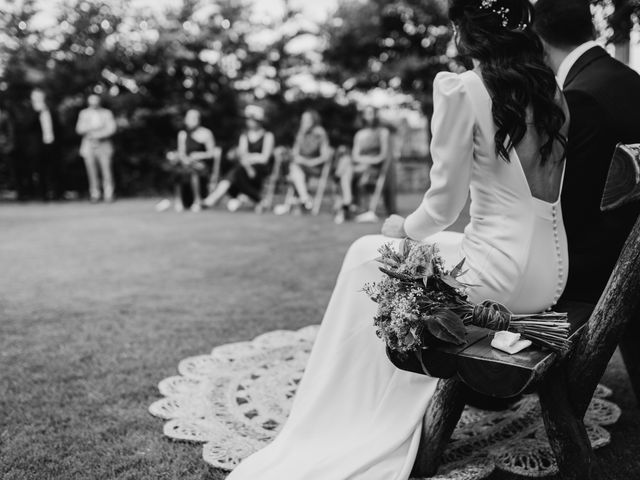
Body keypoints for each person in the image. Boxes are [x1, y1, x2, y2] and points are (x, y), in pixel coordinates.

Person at [227, 1, 568, 479]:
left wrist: (401, 228)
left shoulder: (464, 89)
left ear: (464, 31)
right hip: (550, 273)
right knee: (410, 258)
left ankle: (344, 411)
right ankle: (363, 395)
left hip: (500, 275)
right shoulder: (552, 91)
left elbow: (442, 207)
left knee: (368, 251)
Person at [533, 0, 640, 304]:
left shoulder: (579, 98)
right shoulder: (631, 80)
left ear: (539, 42)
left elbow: (573, 210)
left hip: (601, 277)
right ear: (590, 28)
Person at [203, 105, 274, 212]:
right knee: (237, 172)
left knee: (237, 172)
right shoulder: (244, 136)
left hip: (260, 170)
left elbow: (264, 158)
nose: (248, 121)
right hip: (245, 169)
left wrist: (248, 159)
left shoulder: (268, 136)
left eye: (250, 119)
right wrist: (249, 164)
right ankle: (258, 200)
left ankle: (213, 198)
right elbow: (242, 155)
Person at [334, 106, 391, 224]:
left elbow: (382, 156)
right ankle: (348, 200)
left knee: (344, 167)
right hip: (359, 167)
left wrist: (368, 160)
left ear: (376, 115)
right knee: (346, 163)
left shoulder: (383, 132)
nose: (369, 115)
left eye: (371, 113)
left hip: (374, 168)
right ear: (363, 116)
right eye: (366, 113)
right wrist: (364, 159)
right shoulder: (359, 134)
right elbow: (355, 156)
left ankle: (345, 202)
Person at [158, 109, 216, 212]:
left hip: (202, 165)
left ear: (198, 119)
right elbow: (182, 153)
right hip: (187, 163)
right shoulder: (183, 134)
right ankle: (178, 201)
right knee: (177, 170)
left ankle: (197, 201)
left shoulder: (206, 133)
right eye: (188, 118)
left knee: (193, 171)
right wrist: (184, 160)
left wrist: (199, 156)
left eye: (193, 118)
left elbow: (212, 154)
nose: (190, 120)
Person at [285, 109, 333, 211]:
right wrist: (301, 135)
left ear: (313, 120)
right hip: (301, 167)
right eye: (303, 120)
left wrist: (309, 162)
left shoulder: (320, 133)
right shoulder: (301, 133)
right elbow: (295, 153)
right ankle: (305, 198)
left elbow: (325, 156)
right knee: (294, 167)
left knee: (293, 172)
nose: (304, 122)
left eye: (306, 119)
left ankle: (302, 198)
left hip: (315, 166)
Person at [21, 89, 62, 201]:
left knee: (53, 169)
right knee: (40, 170)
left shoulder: (51, 110)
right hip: (37, 147)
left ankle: (56, 193)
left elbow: (59, 127)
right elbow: (25, 127)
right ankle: (42, 195)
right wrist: (37, 112)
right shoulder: (28, 111)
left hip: (51, 144)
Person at [76, 94, 117, 202]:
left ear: (99, 102)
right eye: (91, 101)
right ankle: (95, 194)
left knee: (106, 171)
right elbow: (79, 128)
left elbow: (111, 129)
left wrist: (97, 135)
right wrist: (94, 127)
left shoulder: (107, 113)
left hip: (104, 146)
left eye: (95, 101)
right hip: (88, 146)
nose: (94, 103)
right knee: (91, 172)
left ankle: (109, 194)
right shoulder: (83, 113)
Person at [0, 102, 15, 195]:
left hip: (3, 145)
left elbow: (10, 131)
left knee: (7, 167)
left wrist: (9, 144)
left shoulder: (5, 115)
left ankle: (8, 185)